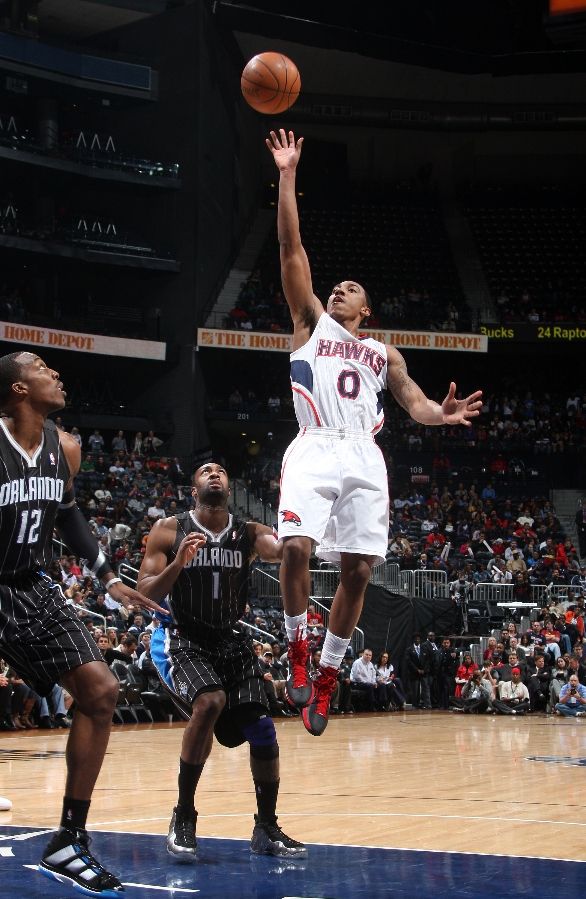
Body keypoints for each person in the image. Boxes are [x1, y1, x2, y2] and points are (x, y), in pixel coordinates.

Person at [266, 128, 483, 736]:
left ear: (367, 310)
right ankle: (299, 648)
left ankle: (329, 674)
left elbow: (415, 405)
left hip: (365, 455)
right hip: (315, 443)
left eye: (350, 289)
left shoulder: (384, 354)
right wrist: (287, 174)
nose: (338, 288)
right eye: (336, 285)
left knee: (359, 570)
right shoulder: (311, 324)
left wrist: (446, 414)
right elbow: (290, 247)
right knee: (294, 549)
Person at [0, 350, 163, 896]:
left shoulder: (63, 448)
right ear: (19, 391)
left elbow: (67, 514)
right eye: (44, 370)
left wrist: (106, 576)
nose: (57, 375)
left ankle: (68, 841)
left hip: (31, 584)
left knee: (101, 690)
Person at [137, 461, 306, 862]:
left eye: (221, 471)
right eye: (205, 471)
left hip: (229, 640)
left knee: (263, 728)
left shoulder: (248, 533)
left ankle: (266, 827)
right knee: (209, 701)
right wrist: (178, 564)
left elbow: (284, 550)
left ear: (229, 487)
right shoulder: (169, 530)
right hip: (182, 637)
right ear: (194, 489)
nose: (214, 474)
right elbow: (145, 593)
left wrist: (304, 519)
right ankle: (184, 815)